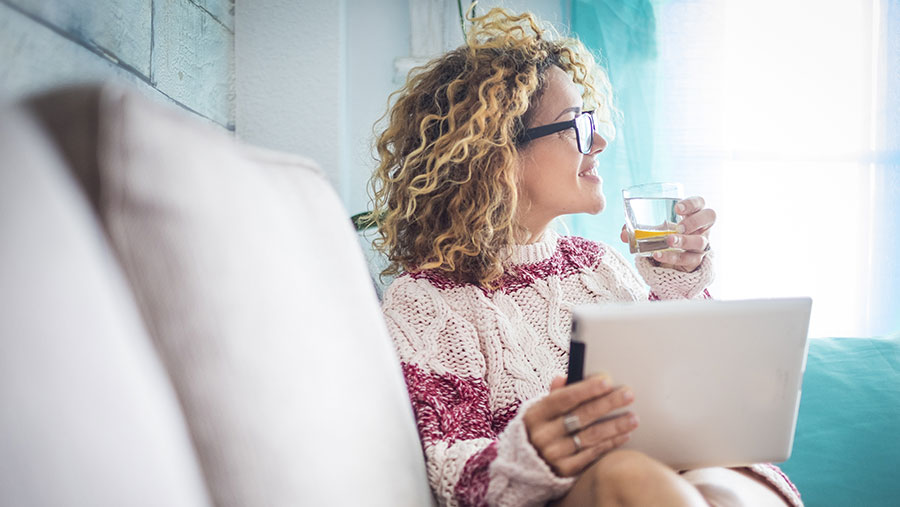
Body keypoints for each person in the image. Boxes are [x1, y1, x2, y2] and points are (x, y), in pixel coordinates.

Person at [368, 8, 802, 507]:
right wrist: (535, 451)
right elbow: (451, 473)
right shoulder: (429, 302)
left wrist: (677, 286)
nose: (600, 140)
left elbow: (686, 393)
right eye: (575, 125)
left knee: (725, 484)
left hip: (682, 474)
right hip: (593, 492)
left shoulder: (594, 265)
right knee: (630, 474)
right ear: (497, 155)